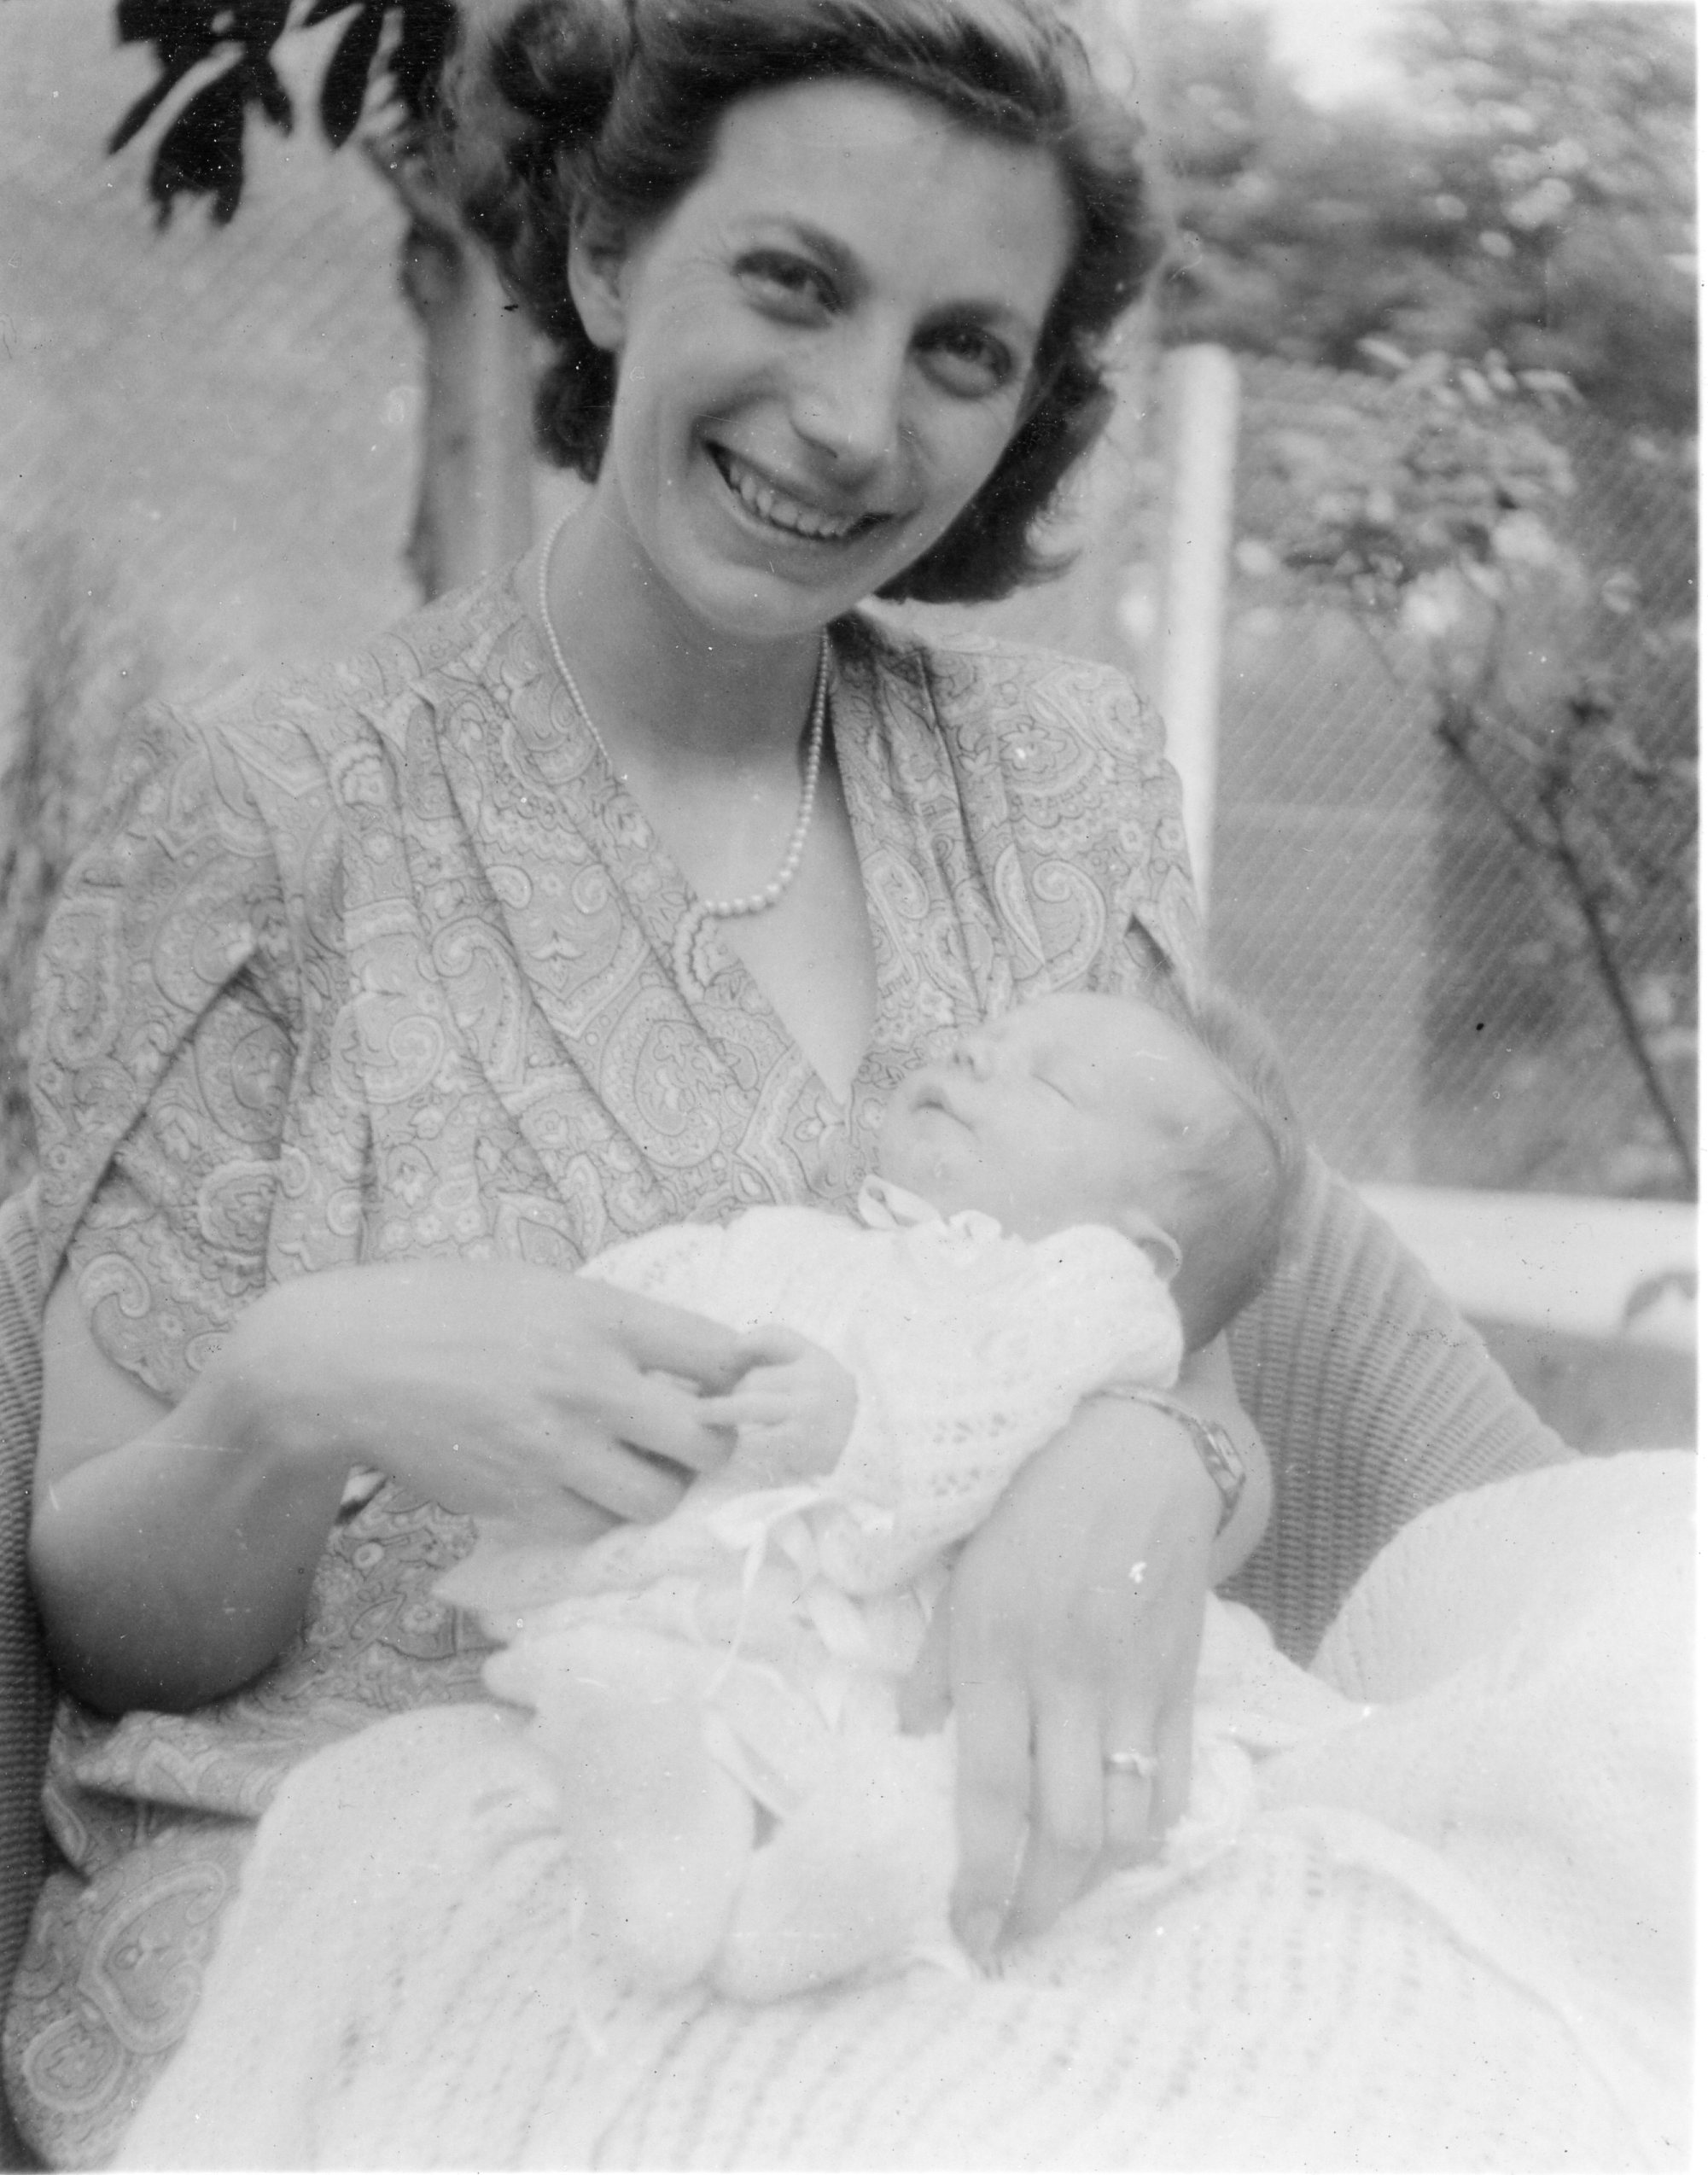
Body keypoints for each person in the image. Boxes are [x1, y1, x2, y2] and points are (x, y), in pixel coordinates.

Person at [6, 0, 1658, 2166]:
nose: (855, 422)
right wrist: (289, 1391)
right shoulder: (265, 821)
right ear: (608, 257)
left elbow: (1205, 1375)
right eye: (791, 281)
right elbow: (110, 1622)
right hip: (390, 1890)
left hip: (938, 1862)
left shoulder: (1055, 784)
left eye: (962, 349)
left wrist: (1135, 1459)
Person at [447, 986, 1331, 2002]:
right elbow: (643, 1303)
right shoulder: (801, 1242)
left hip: (932, 1634)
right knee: (648, 1675)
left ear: (1138, 1250)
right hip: (755, 1603)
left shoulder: (1080, 1299)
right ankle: (661, 1821)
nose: (975, 1057)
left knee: (956, 1757)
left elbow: (991, 1406)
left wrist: (857, 1428)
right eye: (983, 1040)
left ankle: (860, 1877)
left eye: (1049, 1080)